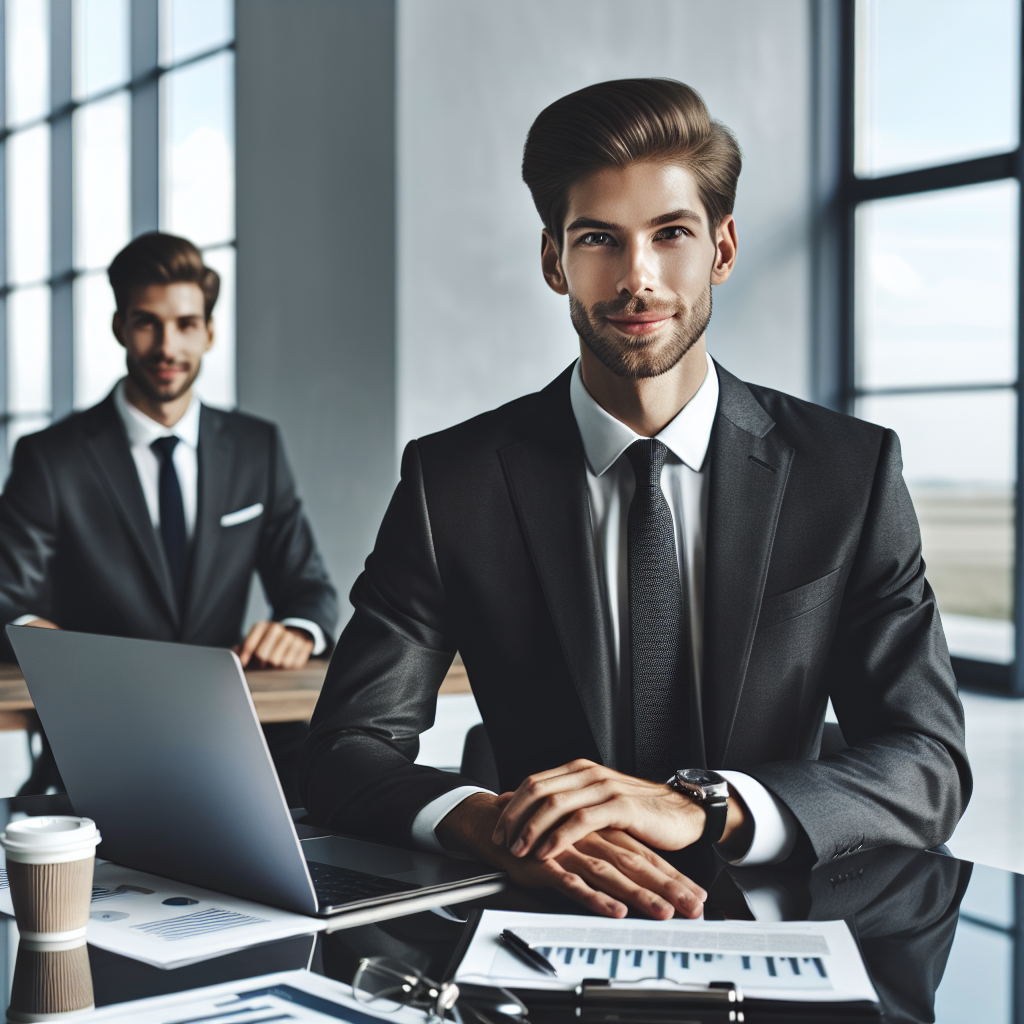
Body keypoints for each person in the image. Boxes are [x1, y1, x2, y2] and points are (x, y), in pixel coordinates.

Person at [300, 79, 970, 918]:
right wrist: (489, 821)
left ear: (721, 250)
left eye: (671, 235)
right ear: (555, 261)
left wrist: (704, 804)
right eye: (599, 240)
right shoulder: (453, 481)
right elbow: (343, 749)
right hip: (545, 922)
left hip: (781, 930)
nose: (638, 278)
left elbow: (927, 758)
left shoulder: (849, 472)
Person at [0, 231, 338, 802]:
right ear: (119, 328)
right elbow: (8, 598)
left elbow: (310, 589)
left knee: (339, 792)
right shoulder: (51, 457)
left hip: (236, 731)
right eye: (146, 322)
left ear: (208, 331)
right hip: (99, 737)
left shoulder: (257, 447)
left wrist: (297, 631)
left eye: (185, 324)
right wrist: (49, 643)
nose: (166, 346)